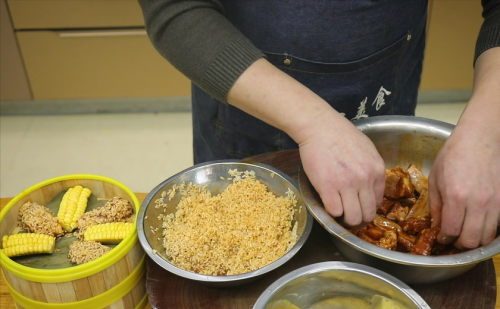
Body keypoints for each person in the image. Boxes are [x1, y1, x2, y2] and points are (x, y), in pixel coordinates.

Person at [137, 0, 500, 250]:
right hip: (248, 108)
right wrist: (314, 124)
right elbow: (174, 7)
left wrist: (484, 138)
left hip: (384, 80)